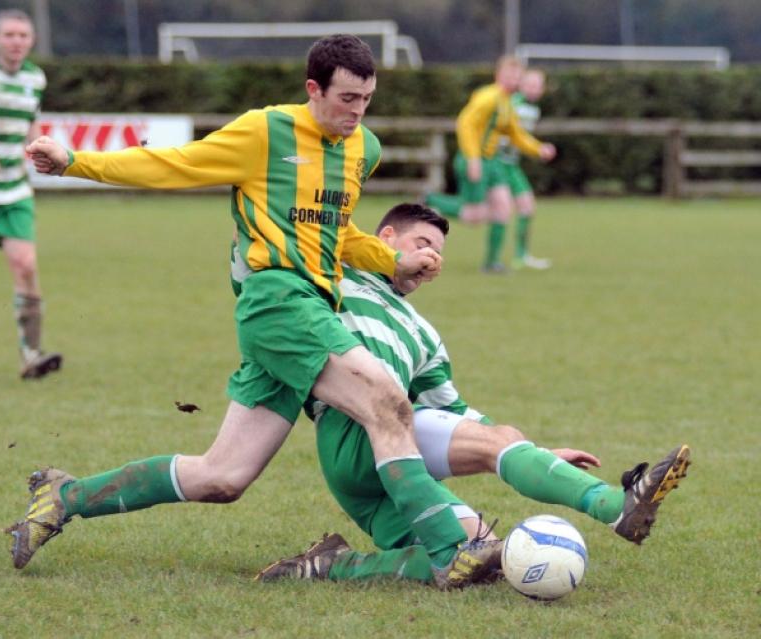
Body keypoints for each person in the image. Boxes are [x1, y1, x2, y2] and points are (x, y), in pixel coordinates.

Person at [6, 35, 500, 588]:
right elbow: (173, 163)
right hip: (278, 301)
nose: (357, 112)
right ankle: (451, 548)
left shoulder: (364, 148)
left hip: (313, 309)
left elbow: (335, 234)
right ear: (313, 89)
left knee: (222, 477)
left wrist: (394, 260)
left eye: (366, 99)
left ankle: (64, 495)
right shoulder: (266, 131)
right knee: (386, 401)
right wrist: (75, 162)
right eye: (346, 99)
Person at [255, 203, 691, 584]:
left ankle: (333, 565)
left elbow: (453, 411)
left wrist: (532, 454)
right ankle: (615, 506)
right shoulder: (334, 277)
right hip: (353, 432)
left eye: (438, 253)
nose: (432, 259)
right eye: (423, 244)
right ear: (385, 237)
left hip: (384, 474)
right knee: (498, 445)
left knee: (484, 559)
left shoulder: (422, 333)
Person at [0, 10, 62, 379]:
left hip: (13, 189)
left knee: (26, 265)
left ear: (31, 41)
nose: (17, 41)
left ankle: (31, 356)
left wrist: (38, 148)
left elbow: (30, 123)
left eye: (23, 35)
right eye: (10, 35)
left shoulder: (35, 77)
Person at [425, 56, 555, 274]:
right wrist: (473, 158)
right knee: (473, 216)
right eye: (509, 75)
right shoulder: (489, 97)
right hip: (475, 159)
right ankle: (430, 201)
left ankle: (492, 263)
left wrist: (538, 148)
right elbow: (465, 124)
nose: (513, 80)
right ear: (498, 75)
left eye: (517, 76)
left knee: (503, 208)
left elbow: (515, 133)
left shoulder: (506, 102)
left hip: (492, 163)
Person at [494, 68, 552, 270]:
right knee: (478, 212)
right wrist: (538, 148)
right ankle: (433, 201)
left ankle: (521, 256)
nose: (534, 89)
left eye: (538, 86)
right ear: (521, 85)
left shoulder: (534, 110)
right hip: (496, 162)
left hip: (511, 165)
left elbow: (520, 138)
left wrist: (536, 149)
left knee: (527, 207)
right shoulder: (512, 103)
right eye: (530, 85)